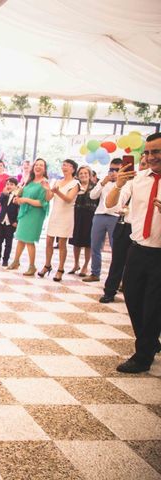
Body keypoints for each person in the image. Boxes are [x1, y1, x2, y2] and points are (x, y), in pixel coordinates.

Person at [110, 133, 161, 373]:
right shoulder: (138, 178)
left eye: (156, 152)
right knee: (132, 298)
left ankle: (143, 356)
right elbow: (111, 203)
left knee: (153, 306)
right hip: (138, 250)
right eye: (148, 152)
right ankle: (150, 341)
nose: (151, 157)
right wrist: (118, 184)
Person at [101, 156, 149, 303]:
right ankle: (110, 291)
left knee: (138, 265)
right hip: (124, 225)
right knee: (117, 261)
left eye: (146, 164)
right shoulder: (130, 182)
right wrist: (118, 185)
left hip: (143, 230)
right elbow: (110, 203)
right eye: (142, 164)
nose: (144, 167)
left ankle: (135, 293)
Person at [7, 158, 52, 276]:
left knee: (29, 240)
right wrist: (18, 197)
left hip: (35, 214)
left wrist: (25, 200)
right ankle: (16, 261)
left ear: (44, 169)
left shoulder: (44, 182)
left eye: (41, 165)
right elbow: (22, 193)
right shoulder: (30, 180)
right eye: (36, 165)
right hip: (24, 212)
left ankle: (32, 266)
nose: (38, 167)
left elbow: (42, 202)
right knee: (21, 238)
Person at [39, 159, 80, 281]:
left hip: (66, 216)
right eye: (63, 165)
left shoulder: (75, 183)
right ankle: (47, 265)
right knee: (48, 241)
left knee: (62, 243)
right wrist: (47, 189)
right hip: (55, 214)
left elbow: (68, 199)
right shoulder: (57, 181)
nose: (64, 167)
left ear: (73, 169)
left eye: (67, 165)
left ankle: (60, 269)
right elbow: (48, 198)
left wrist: (57, 192)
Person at [84, 158, 122, 282]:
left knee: (116, 248)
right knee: (95, 245)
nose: (114, 172)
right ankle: (95, 273)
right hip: (99, 215)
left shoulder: (125, 184)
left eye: (117, 170)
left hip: (115, 217)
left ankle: (118, 278)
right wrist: (102, 183)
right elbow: (92, 196)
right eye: (112, 169)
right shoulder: (103, 182)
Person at [69, 166, 98, 277]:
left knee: (87, 243)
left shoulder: (95, 187)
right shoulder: (76, 186)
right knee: (76, 241)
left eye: (85, 173)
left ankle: (85, 265)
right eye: (81, 173)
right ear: (78, 175)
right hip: (77, 215)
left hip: (90, 216)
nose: (83, 175)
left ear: (89, 175)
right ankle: (76, 264)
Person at [0, 178, 19, 266]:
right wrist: (3, 195)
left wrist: (16, 221)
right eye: (7, 184)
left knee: (8, 242)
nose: (9, 186)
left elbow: (19, 210)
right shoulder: (3, 194)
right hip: (1, 221)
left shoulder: (18, 197)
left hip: (11, 223)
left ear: (16, 186)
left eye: (11, 184)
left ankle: (5, 259)